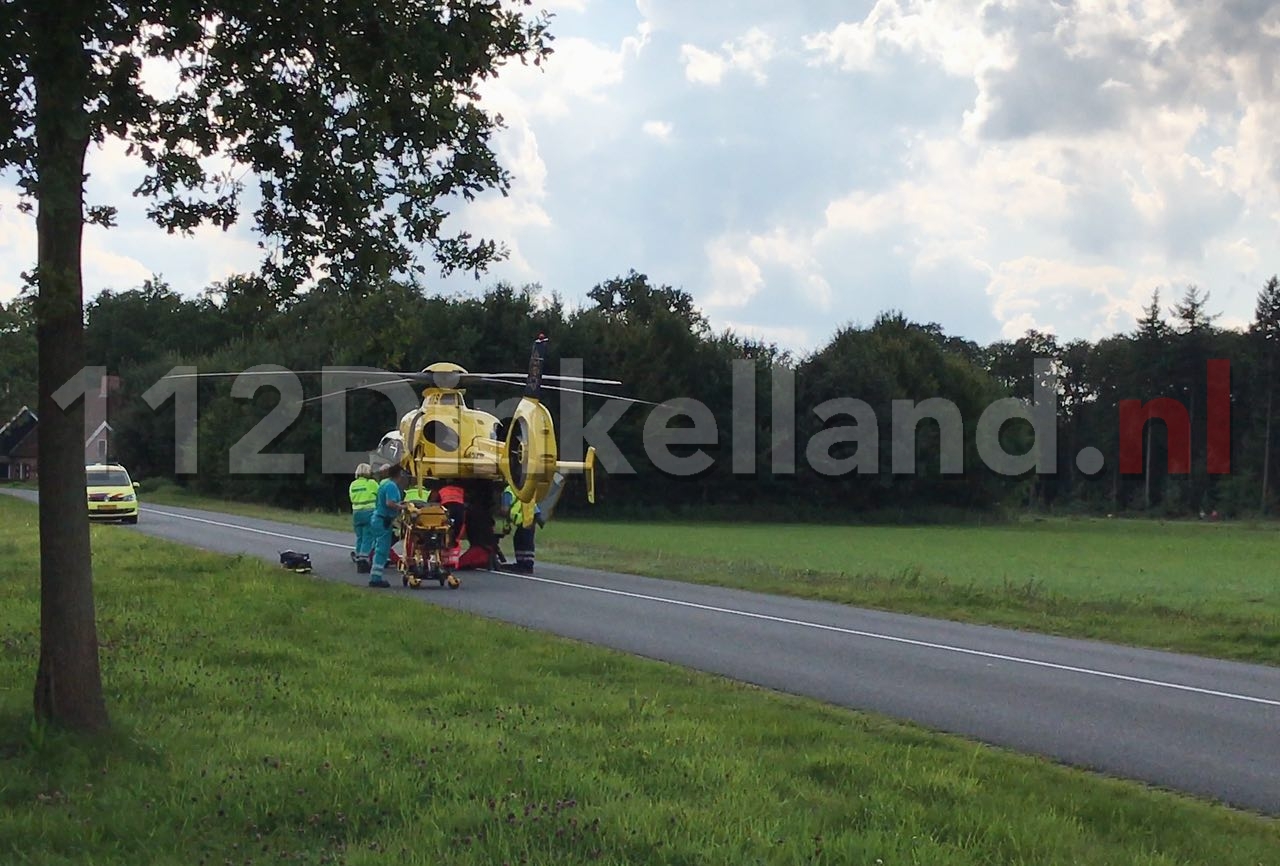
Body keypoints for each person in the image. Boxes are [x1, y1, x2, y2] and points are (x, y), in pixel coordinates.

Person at [367, 463, 408, 588]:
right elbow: (390, 503)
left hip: (379, 518)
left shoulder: (385, 483)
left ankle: (375, 576)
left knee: (379, 546)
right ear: (399, 474)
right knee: (382, 549)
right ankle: (375, 578)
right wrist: (402, 507)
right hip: (383, 519)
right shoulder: (391, 486)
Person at [500, 483, 538, 573]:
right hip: (531, 518)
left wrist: (505, 521)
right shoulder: (525, 488)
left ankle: (526, 565)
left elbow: (505, 509)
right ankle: (523, 563)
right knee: (522, 539)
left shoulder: (509, 490)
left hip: (524, 520)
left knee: (522, 541)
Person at [348, 463, 378, 573]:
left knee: (360, 537)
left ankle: (358, 554)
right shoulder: (371, 483)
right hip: (369, 511)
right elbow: (379, 494)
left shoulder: (353, 484)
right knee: (368, 537)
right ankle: (364, 560)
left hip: (356, 513)